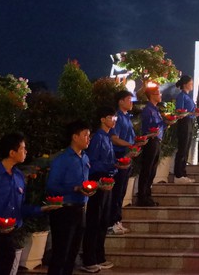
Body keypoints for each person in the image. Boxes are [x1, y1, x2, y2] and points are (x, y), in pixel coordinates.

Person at [0, 132, 48, 275]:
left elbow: (19, 208)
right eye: (23, 148)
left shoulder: (18, 177)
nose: (26, 152)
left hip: (8, 237)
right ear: (12, 153)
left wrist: (42, 209)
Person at [46, 120, 93, 275]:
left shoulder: (85, 158)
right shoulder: (62, 160)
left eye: (89, 136)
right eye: (85, 135)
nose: (88, 139)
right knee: (61, 253)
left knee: (73, 253)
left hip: (80, 209)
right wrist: (75, 188)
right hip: (64, 210)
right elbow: (52, 186)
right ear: (75, 137)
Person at [81, 107, 119, 273]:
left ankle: (99, 256)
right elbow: (93, 163)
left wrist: (115, 167)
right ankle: (89, 258)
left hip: (108, 180)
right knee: (94, 220)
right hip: (98, 180)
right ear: (103, 119)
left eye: (115, 118)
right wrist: (111, 166)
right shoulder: (97, 138)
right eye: (111, 117)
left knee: (103, 220)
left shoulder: (107, 137)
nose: (114, 120)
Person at [108, 90, 135, 236]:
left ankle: (117, 221)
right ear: (120, 101)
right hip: (120, 155)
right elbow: (114, 138)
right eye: (128, 99)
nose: (131, 102)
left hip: (127, 155)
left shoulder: (127, 117)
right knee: (117, 190)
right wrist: (129, 145)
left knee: (122, 190)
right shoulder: (117, 117)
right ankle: (112, 222)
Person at [138, 83, 165, 202]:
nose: (160, 95)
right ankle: (142, 196)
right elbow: (147, 128)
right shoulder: (148, 110)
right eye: (158, 93)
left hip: (157, 140)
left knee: (152, 170)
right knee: (147, 169)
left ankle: (147, 194)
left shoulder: (155, 109)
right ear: (152, 95)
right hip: (150, 141)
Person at [174, 75, 196, 184]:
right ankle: (178, 175)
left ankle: (183, 173)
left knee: (186, 148)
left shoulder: (188, 96)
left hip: (190, 121)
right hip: (184, 122)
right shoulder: (181, 96)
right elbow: (179, 111)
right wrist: (189, 113)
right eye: (190, 83)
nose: (192, 85)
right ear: (185, 84)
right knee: (182, 149)